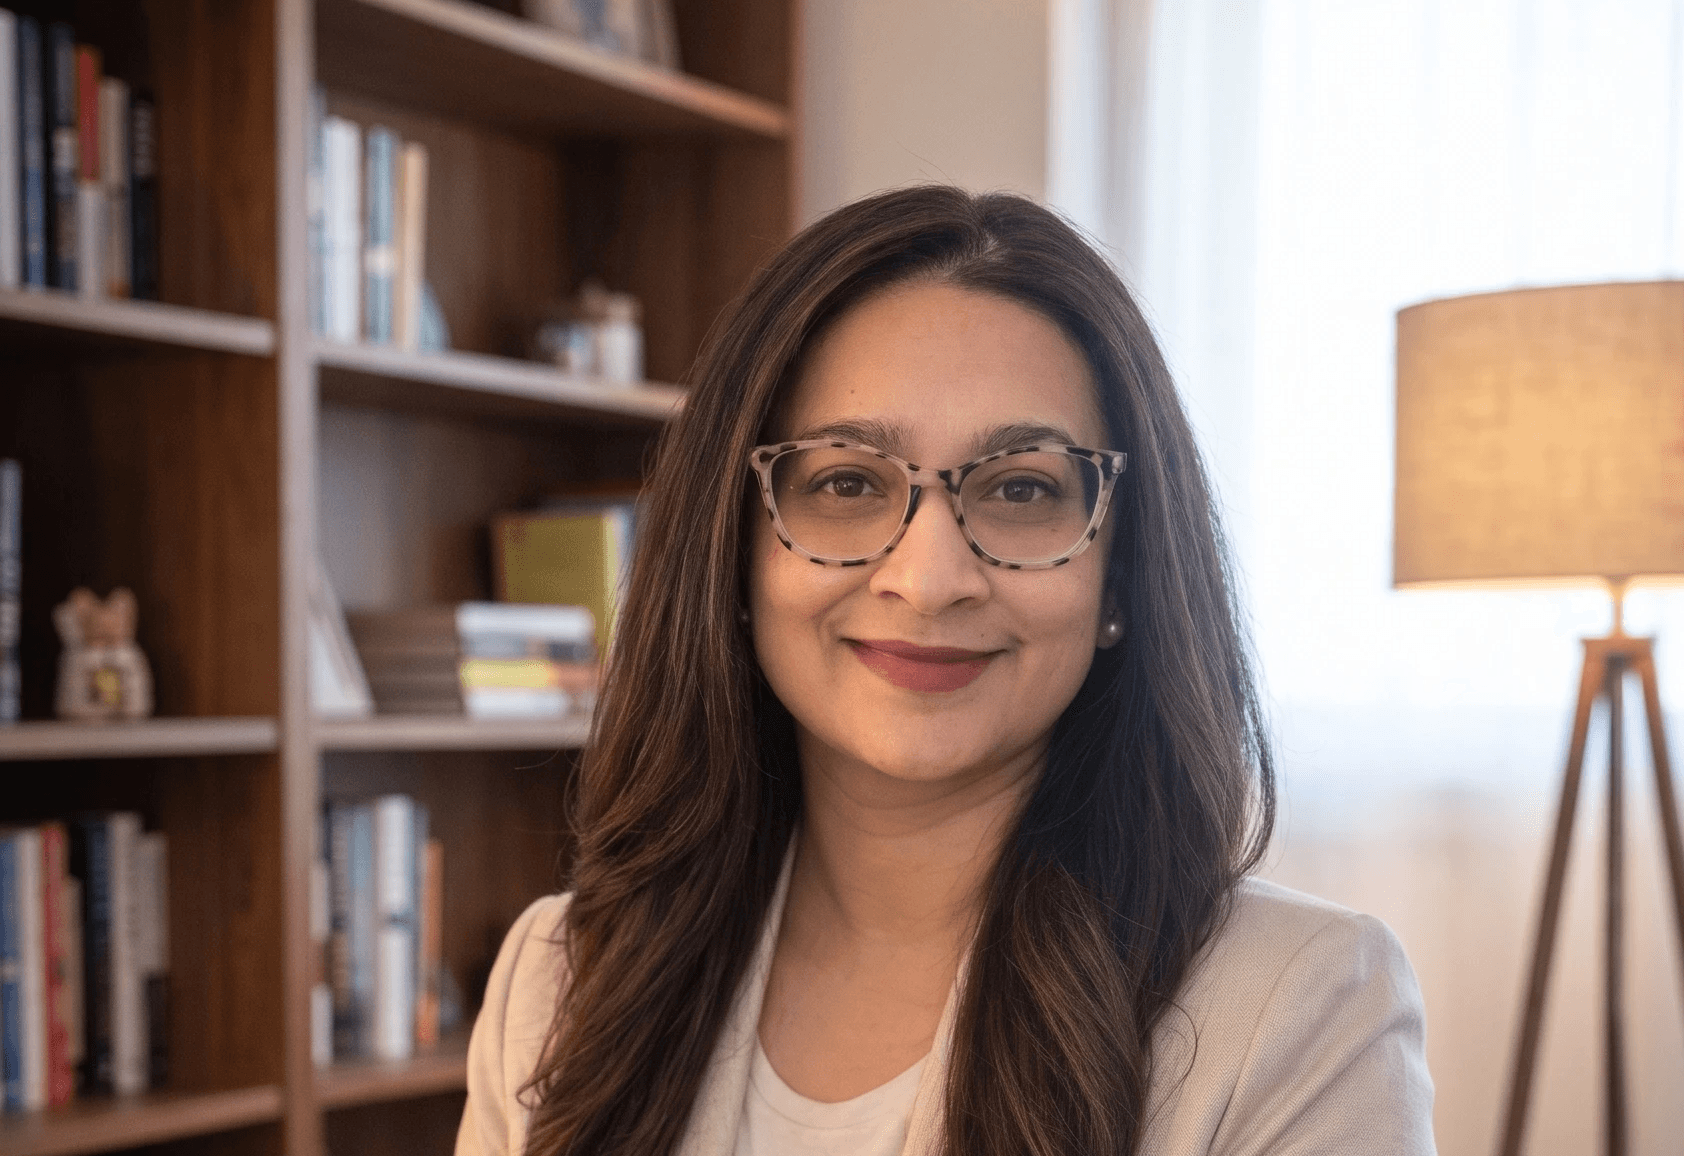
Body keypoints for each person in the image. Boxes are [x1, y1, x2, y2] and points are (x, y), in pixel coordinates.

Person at [455, 186, 1436, 1156]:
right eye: (846, 481)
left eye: (1023, 489)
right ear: (734, 551)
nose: (927, 581)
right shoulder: (559, 977)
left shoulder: (1303, 1004)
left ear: (1121, 573)